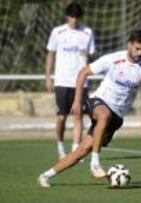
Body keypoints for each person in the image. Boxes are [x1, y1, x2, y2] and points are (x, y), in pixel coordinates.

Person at [38, 30, 141, 187]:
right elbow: (83, 73)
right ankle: (95, 163)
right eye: (137, 48)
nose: (140, 53)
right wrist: (77, 101)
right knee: (104, 115)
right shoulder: (112, 59)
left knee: (81, 151)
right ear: (129, 45)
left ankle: (45, 176)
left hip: (117, 116)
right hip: (99, 101)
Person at [45, 3, 95, 160]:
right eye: (72, 16)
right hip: (62, 81)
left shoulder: (87, 32)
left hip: (80, 82)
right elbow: (51, 54)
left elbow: (92, 56)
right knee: (61, 117)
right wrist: (48, 77)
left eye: (77, 17)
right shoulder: (57, 32)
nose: (74, 20)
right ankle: (60, 146)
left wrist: (87, 55)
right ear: (67, 16)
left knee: (78, 116)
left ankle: (75, 151)